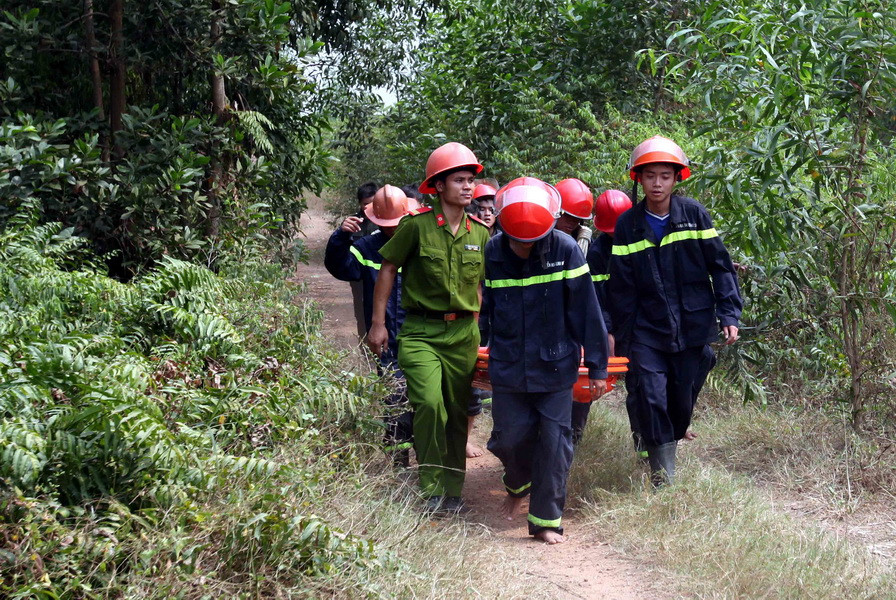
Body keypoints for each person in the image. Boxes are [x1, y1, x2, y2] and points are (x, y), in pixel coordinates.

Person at [607, 135, 742, 486]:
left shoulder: (694, 215)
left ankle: (671, 440)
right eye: (650, 176)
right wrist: (617, 335)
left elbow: (720, 266)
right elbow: (620, 288)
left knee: (681, 402)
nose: (657, 183)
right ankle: (662, 478)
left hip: (692, 324)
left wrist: (729, 314)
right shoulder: (627, 225)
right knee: (650, 395)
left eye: (665, 176)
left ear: (676, 179)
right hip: (646, 329)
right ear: (639, 178)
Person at [484, 177, 609, 544]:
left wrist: (598, 367)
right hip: (508, 365)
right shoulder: (492, 252)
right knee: (509, 438)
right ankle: (517, 482)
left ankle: (545, 521)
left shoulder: (566, 250)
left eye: (533, 241)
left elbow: (587, 312)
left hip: (556, 365)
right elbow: (484, 308)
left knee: (555, 443)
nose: (525, 247)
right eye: (517, 241)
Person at [367, 142, 490, 514]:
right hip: (421, 332)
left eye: (470, 180)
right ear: (438, 186)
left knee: (456, 412)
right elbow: (388, 268)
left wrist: (478, 327)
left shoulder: (480, 233)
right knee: (430, 405)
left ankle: (452, 491)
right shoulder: (416, 226)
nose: (467, 187)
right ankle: (432, 486)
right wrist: (377, 324)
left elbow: (480, 287)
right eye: (459, 180)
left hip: (463, 334)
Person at [324, 185, 415, 466]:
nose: (391, 229)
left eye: (396, 223)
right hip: (385, 336)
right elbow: (342, 268)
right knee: (394, 397)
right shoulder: (366, 247)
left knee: (425, 398)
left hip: (421, 334)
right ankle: (398, 461)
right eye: (385, 223)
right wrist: (341, 237)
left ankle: (429, 460)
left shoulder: (421, 242)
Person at [581, 189, 636, 449]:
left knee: (644, 385)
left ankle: (648, 444)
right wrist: (608, 333)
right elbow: (597, 299)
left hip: (642, 323)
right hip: (616, 323)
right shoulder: (597, 253)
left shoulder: (641, 240)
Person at [347, 182, 381, 339]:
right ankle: (365, 345)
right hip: (360, 279)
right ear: (360, 204)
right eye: (365, 204)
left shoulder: (387, 220)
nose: (368, 207)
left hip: (382, 274)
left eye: (372, 203)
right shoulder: (354, 222)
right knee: (361, 312)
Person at [554, 178, 595, 256]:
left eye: (577, 218)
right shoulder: (540, 238)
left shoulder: (584, 240)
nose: (572, 222)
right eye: (567, 216)